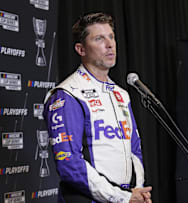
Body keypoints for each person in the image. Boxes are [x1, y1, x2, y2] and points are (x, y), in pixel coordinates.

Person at [43, 12, 152, 203]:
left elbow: (134, 150)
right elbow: (69, 164)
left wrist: (138, 191)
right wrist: (122, 198)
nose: (109, 44)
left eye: (111, 37)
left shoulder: (122, 94)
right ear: (81, 49)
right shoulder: (67, 94)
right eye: (99, 38)